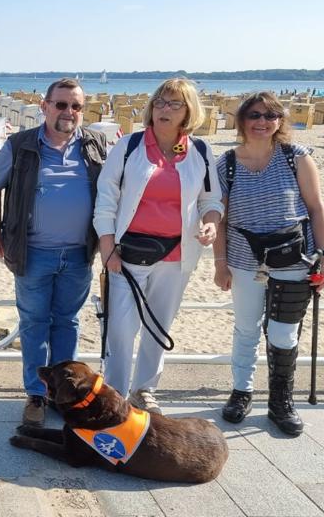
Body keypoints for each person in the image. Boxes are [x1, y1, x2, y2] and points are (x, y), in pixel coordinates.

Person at [94, 77, 223, 414]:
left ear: (188, 112)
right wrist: (107, 247)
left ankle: (144, 390)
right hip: (127, 254)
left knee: (158, 325)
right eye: (161, 102)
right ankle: (115, 392)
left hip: (177, 255)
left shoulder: (200, 152)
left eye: (174, 104)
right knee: (121, 328)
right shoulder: (130, 147)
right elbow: (106, 197)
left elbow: (212, 200)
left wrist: (210, 223)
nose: (165, 109)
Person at [0, 78, 107, 426]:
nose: (68, 112)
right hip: (32, 252)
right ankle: (37, 396)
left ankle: (66, 396)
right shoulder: (20, 144)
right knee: (35, 324)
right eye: (61, 104)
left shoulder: (95, 144)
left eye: (76, 106)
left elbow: (113, 193)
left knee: (68, 323)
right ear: (45, 106)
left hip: (79, 253)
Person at [212, 91, 324, 436]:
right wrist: (220, 263)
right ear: (242, 120)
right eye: (254, 115)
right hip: (243, 259)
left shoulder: (296, 157)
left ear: (280, 121)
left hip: (293, 257)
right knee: (246, 329)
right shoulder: (227, 163)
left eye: (270, 116)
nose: (262, 122)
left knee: (283, 332)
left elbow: (317, 209)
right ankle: (242, 392)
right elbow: (219, 218)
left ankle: (281, 401)